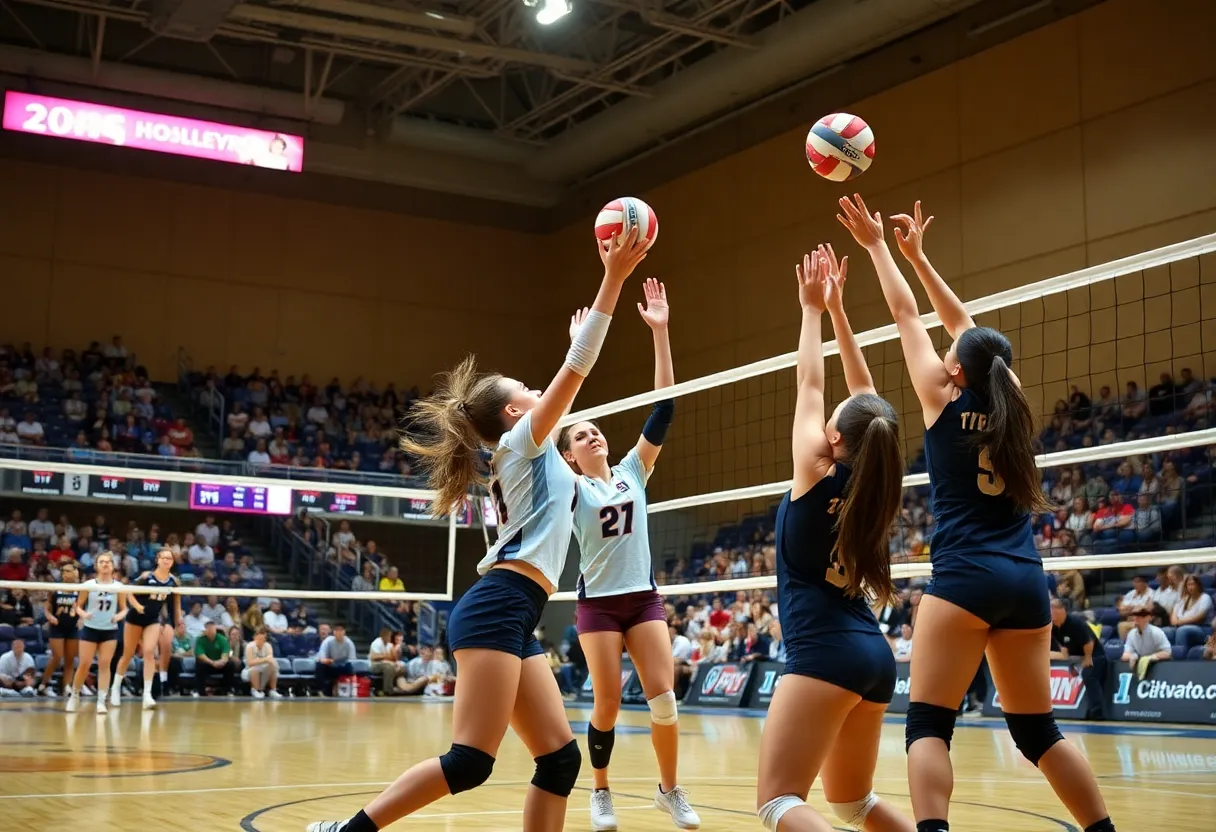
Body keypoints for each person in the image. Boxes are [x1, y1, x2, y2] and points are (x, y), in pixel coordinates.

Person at [306, 226, 648, 832]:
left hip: (517, 610)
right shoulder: (523, 439)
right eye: (528, 389)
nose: (540, 390)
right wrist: (613, 278)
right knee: (470, 761)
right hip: (498, 604)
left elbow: (572, 375)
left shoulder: (531, 451)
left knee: (560, 760)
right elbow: (578, 368)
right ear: (516, 412)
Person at [838, 196, 1115, 832]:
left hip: (964, 578)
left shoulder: (938, 397)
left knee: (929, 723)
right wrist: (920, 256)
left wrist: (881, 247)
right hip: (1025, 579)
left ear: (955, 369)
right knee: (1038, 731)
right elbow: (969, 330)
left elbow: (907, 313)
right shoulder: (1012, 399)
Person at [755, 246, 912, 832]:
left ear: (837, 440)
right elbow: (867, 403)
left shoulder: (814, 471)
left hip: (823, 654)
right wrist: (840, 312)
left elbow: (810, 380)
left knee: (778, 802)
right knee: (853, 804)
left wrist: (812, 311)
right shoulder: (880, 486)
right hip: (873, 656)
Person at [558, 276, 698, 830]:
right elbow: (547, 427)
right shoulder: (571, 489)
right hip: (597, 606)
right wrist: (576, 353)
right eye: (581, 436)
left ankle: (669, 789)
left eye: (595, 431)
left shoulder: (632, 471)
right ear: (569, 457)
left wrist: (661, 333)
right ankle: (601, 791)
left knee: (664, 698)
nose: (592, 436)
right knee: (608, 706)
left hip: (642, 600)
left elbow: (663, 409)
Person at [111, 549, 181, 709]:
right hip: (134, 619)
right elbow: (129, 593)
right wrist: (138, 607)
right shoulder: (146, 577)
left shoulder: (173, 581)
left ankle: (147, 695)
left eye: (169, 558)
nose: (166, 561)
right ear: (157, 560)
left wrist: (178, 620)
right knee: (127, 655)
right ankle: (115, 688)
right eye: (164, 558)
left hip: (152, 620)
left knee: (150, 652)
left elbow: (175, 602)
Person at [67, 551, 128, 713]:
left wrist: (118, 616)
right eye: (102, 561)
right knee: (84, 664)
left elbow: (124, 609)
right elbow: (77, 606)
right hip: (90, 628)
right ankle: (74, 694)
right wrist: (83, 614)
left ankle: (101, 700)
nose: (105, 564)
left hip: (109, 631)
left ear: (113, 566)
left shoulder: (118, 586)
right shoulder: (88, 584)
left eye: (108, 561)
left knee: (105, 664)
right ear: (97, 566)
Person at [1048, 599, 1106, 720]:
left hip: (1094, 654)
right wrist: (1062, 656)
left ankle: (1097, 713)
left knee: (1089, 675)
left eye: (1052, 609)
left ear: (1061, 610)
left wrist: (1088, 658)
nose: (1049, 612)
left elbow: (1089, 642)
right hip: (1076, 656)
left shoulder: (1075, 623)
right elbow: (1063, 645)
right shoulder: (1053, 626)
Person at [38, 562, 80, 697]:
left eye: (70, 571)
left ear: (75, 573)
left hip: (72, 628)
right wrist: (50, 617)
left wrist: (81, 619)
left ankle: (67, 686)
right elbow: (47, 610)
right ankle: (43, 683)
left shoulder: (80, 590)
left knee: (70, 659)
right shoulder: (55, 590)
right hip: (57, 627)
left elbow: (83, 608)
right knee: (57, 656)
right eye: (64, 571)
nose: (67, 573)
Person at [243, 628, 281, 699]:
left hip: (264, 669)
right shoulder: (250, 646)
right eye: (259, 635)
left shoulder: (268, 646)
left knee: (272, 666)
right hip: (249, 669)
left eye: (263, 635)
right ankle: (255, 690)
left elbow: (270, 659)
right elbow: (250, 663)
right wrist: (265, 659)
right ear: (254, 637)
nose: (262, 637)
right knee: (255, 669)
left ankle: (273, 690)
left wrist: (263, 660)